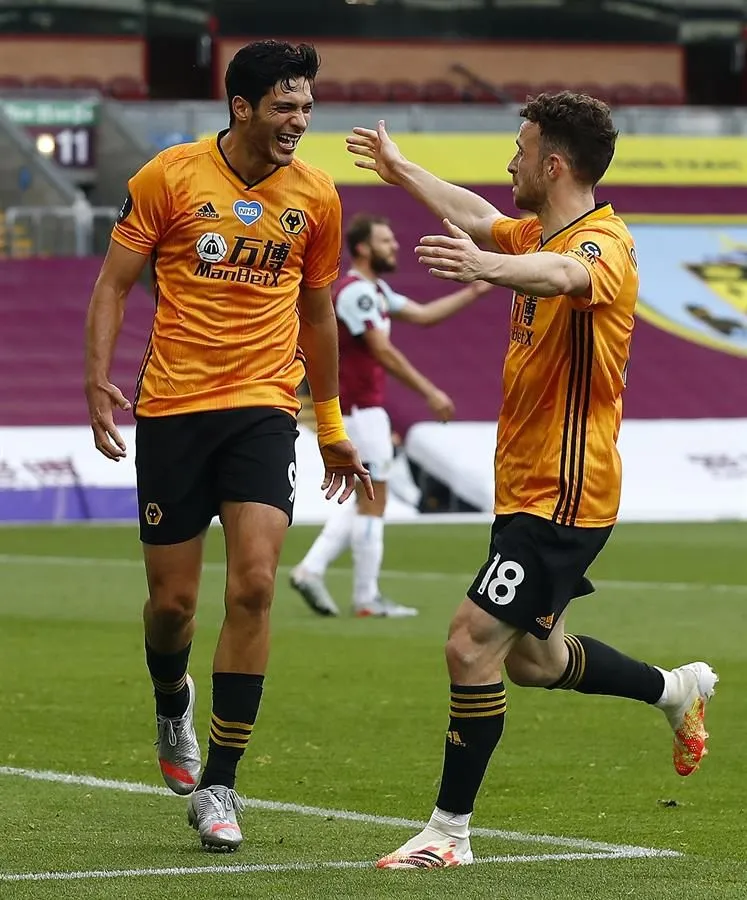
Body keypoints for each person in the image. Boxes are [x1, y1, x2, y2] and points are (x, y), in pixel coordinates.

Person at [346, 93, 718, 869]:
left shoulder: (602, 245)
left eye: (518, 150)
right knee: (531, 659)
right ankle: (672, 689)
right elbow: (480, 218)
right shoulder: (538, 230)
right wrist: (400, 169)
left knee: (468, 644)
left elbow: (557, 275)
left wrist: (487, 267)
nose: (508, 163)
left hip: (564, 492)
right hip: (525, 487)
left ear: (553, 164)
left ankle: (447, 835)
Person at [84, 40, 371, 853]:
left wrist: (331, 427)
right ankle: (170, 698)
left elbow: (317, 316)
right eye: (285, 106)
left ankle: (221, 784)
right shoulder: (168, 176)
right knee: (172, 605)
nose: (299, 122)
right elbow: (112, 284)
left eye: (307, 108)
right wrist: (96, 379)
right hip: (172, 409)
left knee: (252, 584)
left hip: (261, 409)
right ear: (241, 107)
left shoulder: (316, 196)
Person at [290, 214, 491, 618]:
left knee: (368, 500)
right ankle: (366, 597)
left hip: (365, 412)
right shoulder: (356, 294)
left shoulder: (375, 291)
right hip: (359, 412)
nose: (394, 246)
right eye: (385, 240)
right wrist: (429, 391)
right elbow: (381, 350)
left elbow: (423, 315)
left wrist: (474, 292)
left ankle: (311, 570)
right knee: (373, 503)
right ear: (363, 248)